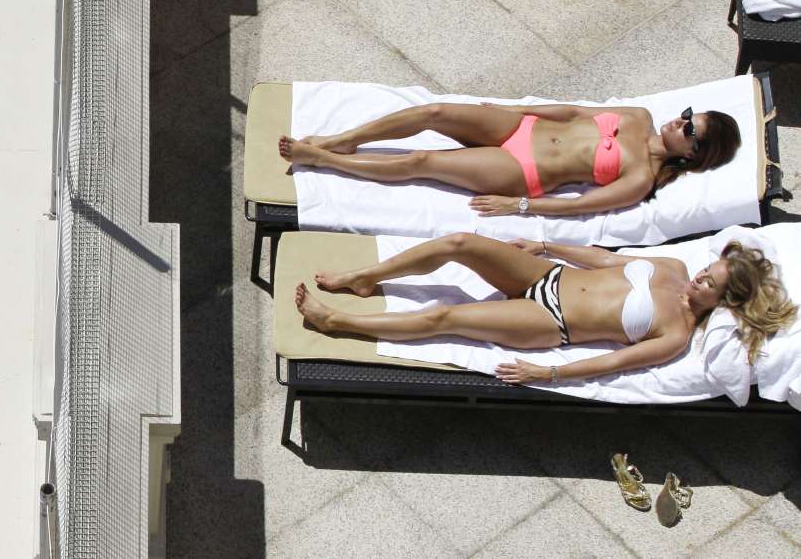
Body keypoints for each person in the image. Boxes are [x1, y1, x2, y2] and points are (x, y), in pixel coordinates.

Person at [294, 233, 795, 383]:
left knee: (447, 318)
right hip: (547, 276)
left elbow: (616, 362)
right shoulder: (670, 268)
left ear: (724, 302)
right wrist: (550, 245)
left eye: (714, 282)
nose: (703, 275)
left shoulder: (677, 333)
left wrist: (547, 374)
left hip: (548, 323)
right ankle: (365, 278)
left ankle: (336, 321)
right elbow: (608, 259)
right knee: (461, 243)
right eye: (711, 269)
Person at [278, 101, 740, 216]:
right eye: (685, 116)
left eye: (689, 129)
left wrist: (516, 206)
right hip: (524, 129)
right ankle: (343, 139)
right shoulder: (638, 115)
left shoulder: (641, 177)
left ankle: (321, 159)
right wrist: (517, 112)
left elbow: (579, 206)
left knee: (424, 160)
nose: (679, 123)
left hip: (526, 172)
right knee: (434, 114)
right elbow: (575, 111)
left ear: (695, 155)